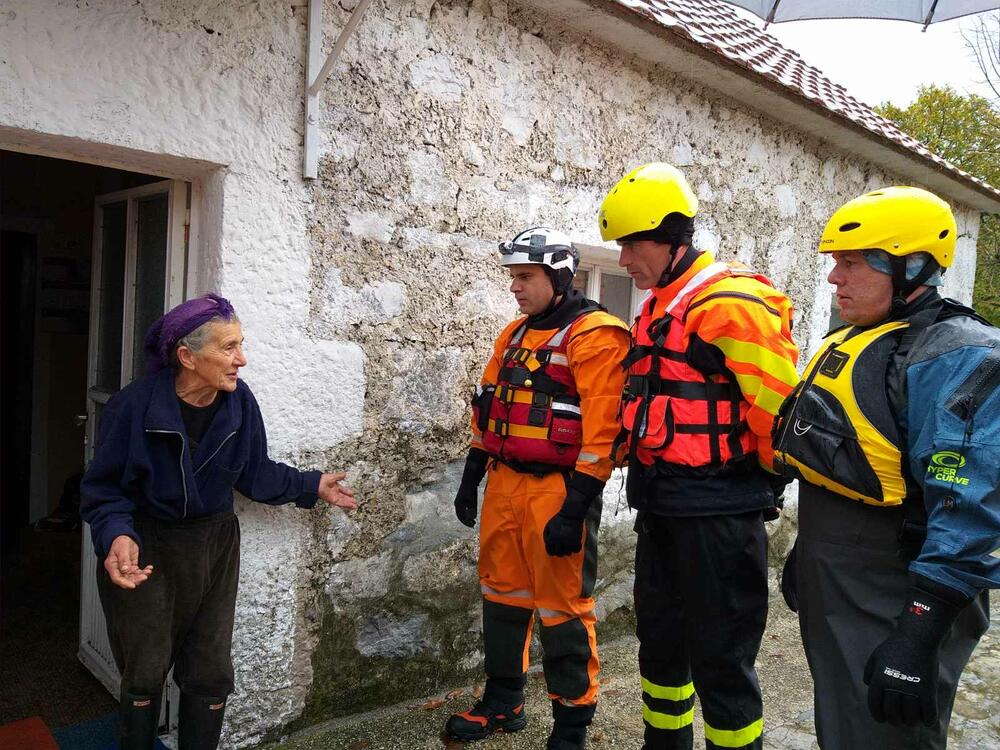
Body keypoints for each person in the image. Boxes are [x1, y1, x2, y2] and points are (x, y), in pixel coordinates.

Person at [773, 186, 998, 749]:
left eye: (850, 263)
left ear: (912, 266)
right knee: (845, 724)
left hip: (899, 581)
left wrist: (919, 631)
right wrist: (810, 546)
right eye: (834, 263)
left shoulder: (958, 355)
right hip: (841, 568)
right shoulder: (863, 337)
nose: (833, 278)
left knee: (887, 735)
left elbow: (970, 506)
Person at [80, 294, 356, 750]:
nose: (241, 360)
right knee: (145, 668)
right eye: (228, 348)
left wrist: (313, 485)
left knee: (210, 670)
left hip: (214, 545)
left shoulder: (238, 402)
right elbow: (104, 489)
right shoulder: (133, 407)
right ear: (187, 357)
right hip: (149, 545)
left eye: (240, 345)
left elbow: (255, 472)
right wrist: (117, 536)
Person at [598, 163, 799, 750]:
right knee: (660, 644)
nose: (624, 259)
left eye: (633, 244)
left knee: (721, 656)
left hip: (719, 512)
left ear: (672, 237)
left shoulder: (729, 304)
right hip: (662, 506)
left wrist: (763, 488)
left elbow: (779, 415)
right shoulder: (662, 304)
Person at [444, 227, 630, 750]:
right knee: (501, 595)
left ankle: (572, 725)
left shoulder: (596, 334)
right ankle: (504, 700)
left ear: (559, 275)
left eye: (525, 277)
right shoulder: (515, 334)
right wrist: (471, 474)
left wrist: (576, 508)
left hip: (559, 490)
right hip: (504, 484)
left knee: (563, 607)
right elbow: (490, 408)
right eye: (513, 277)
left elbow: (605, 431)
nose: (515, 287)